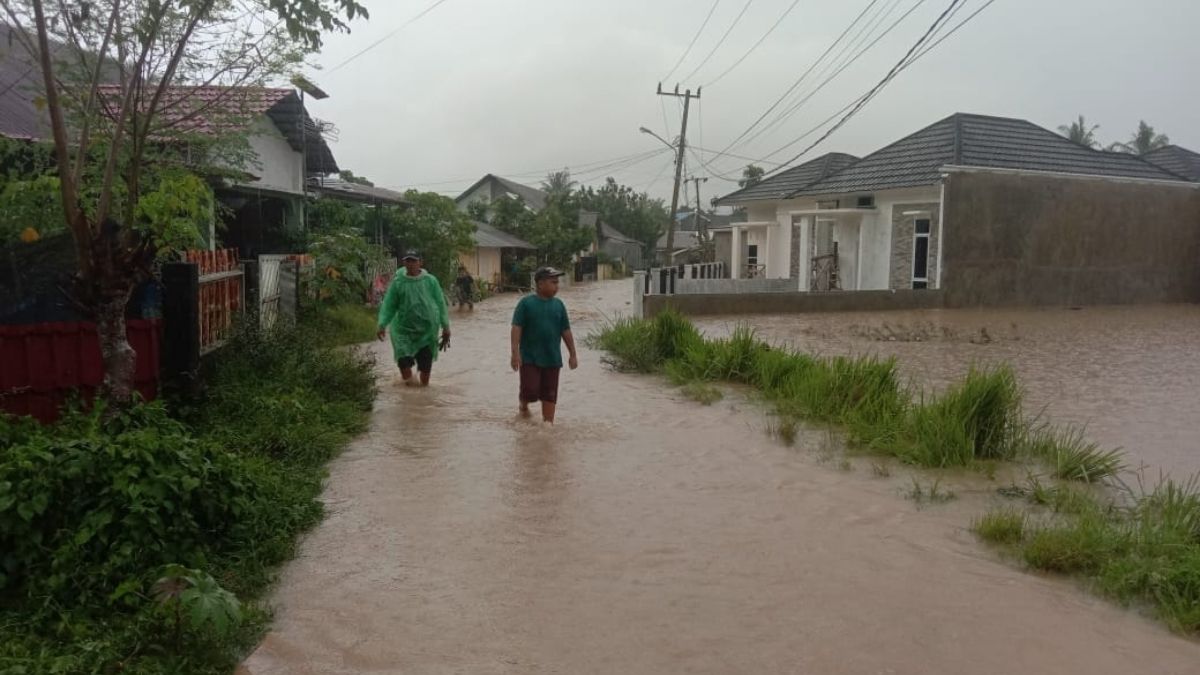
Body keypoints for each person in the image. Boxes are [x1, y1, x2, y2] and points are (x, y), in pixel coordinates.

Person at [510, 266, 578, 423]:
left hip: (552, 357)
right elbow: (516, 328)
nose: (557, 286)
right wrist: (515, 353)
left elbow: (566, 330)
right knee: (530, 391)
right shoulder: (526, 304)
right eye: (553, 282)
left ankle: (548, 426)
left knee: (550, 394)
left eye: (557, 283)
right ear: (540, 284)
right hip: (529, 357)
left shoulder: (559, 305)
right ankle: (523, 405)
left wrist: (572, 354)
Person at [377, 251, 451, 386]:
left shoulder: (430, 281)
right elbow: (389, 305)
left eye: (413, 261)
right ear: (404, 263)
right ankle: (409, 393)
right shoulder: (398, 282)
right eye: (407, 261)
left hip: (427, 332)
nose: (410, 264)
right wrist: (382, 324)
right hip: (403, 333)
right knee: (404, 366)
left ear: (420, 262)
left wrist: (446, 326)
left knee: (425, 373)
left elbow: (440, 303)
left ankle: (422, 400)